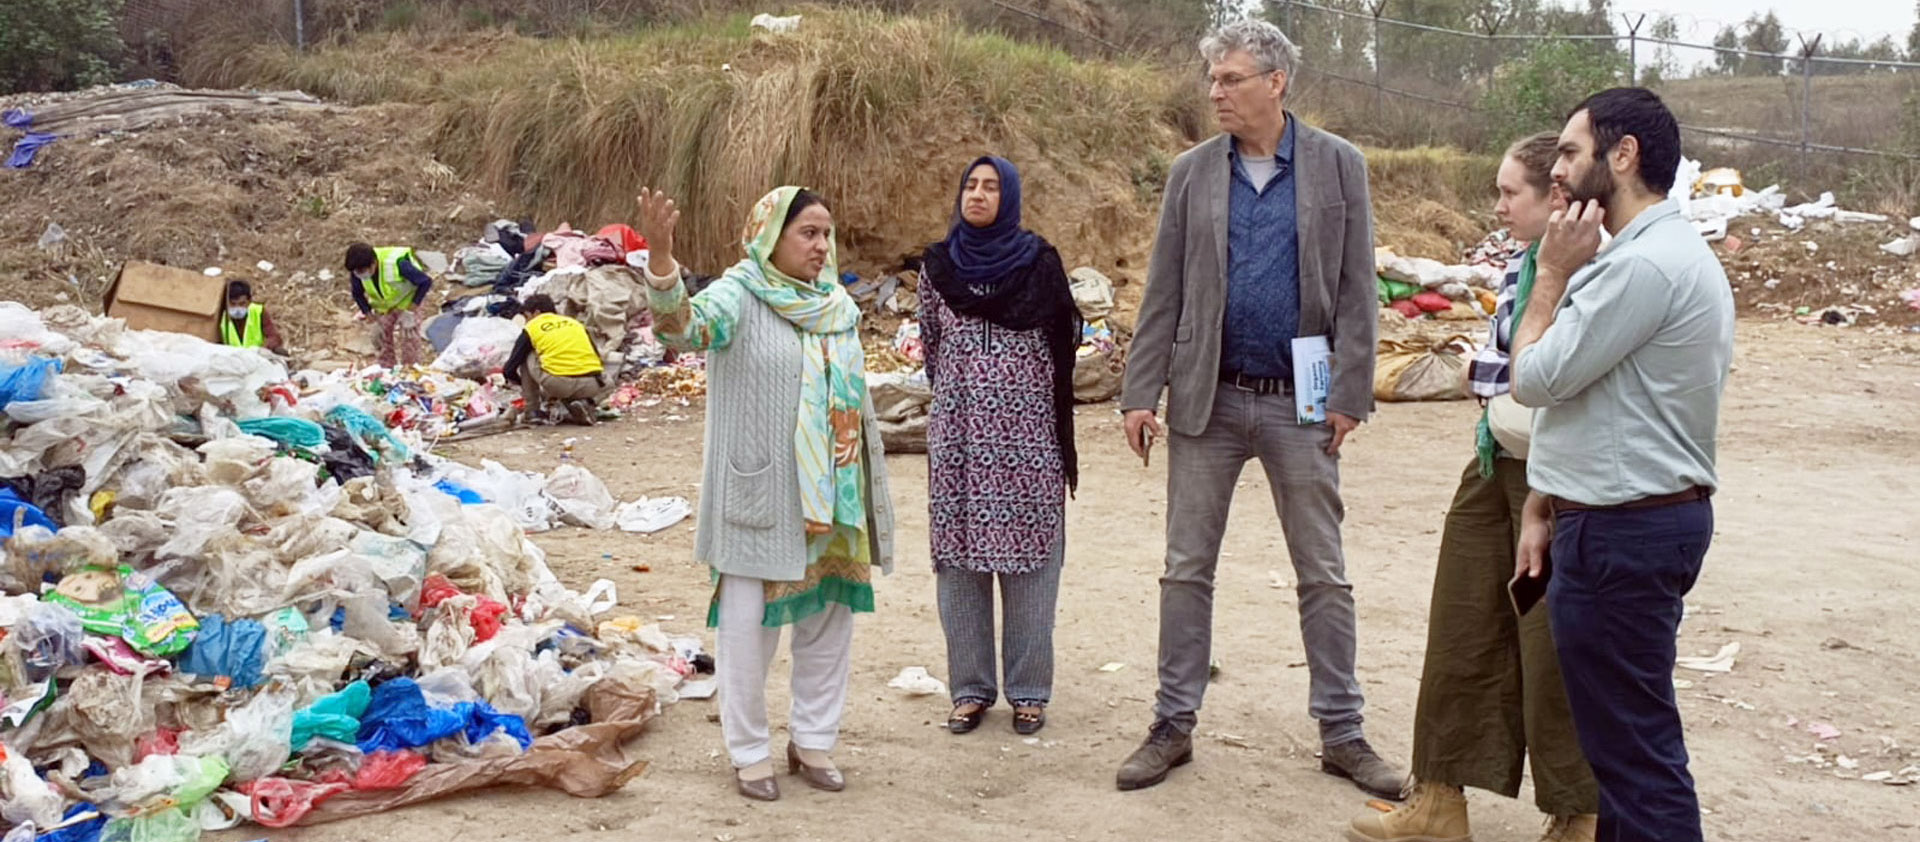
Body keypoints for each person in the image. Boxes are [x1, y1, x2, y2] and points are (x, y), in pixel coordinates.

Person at [1115, 18, 1399, 798]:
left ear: (1276, 83)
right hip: (1208, 399)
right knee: (1185, 570)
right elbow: (1163, 289)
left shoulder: (1339, 167)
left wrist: (1351, 393)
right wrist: (1141, 391)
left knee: (1323, 574)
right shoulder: (1192, 173)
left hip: (1300, 408)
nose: (1216, 92)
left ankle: (1342, 732)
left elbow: (1355, 290)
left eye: (1231, 79)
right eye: (1213, 79)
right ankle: (1172, 724)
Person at [1347, 133, 1599, 842]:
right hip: (1496, 456)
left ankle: (1578, 811)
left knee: (1549, 642)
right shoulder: (1526, 264)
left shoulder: (1588, 269)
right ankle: (1439, 799)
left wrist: (1482, 371)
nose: (1498, 205)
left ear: (1555, 195)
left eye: (1509, 191)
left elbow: (1518, 372)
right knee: (1460, 624)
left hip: (1551, 471)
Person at [1508, 88, 1734, 842]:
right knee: (1623, 754)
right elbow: (1606, 403)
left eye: (1571, 153)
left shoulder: (1638, 269)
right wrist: (1545, 502)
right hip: (1626, 522)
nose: (1560, 172)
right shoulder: (1662, 254)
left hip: (1621, 536)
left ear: (1624, 155)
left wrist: (1550, 276)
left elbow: (1536, 379)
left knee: (1637, 763)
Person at [634, 185, 895, 803]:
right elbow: (680, 329)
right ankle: (748, 752)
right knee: (748, 632)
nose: (821, 244)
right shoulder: (739, 296)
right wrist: (662, 259)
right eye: (807, 232)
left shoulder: (836, 306)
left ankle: (813, 740)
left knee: (830, 622)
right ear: (769, 236)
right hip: (761, 495)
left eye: (826, 233)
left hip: (833, 492)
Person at [919, 156, 1081, 737]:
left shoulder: (1040, 265)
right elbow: (933, 349)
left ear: (1009, 197)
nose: (978, 195)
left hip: (1029, 443)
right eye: (970, 184)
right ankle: (970, 690)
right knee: (959, 566)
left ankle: (1030, 692)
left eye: (991, 187)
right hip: (959, 442)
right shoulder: (937, 269)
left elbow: (1065, 349)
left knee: (1033, 565)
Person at [502, 294, 610, 426]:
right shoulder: (574, 323)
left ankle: (532, 411)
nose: (526, 321)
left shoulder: (532, 327)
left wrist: (520, 384)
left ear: (536, 312)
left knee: (528, 353)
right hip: (593, 385)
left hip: (559, 384)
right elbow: (596, 356)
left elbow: (509, 369)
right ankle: (584, 403)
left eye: (527, 316)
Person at [344, 241, 432, 369]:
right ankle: (387, 371)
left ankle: (411, 371)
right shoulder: (358, 271)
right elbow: (358, 294)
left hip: (408, 301)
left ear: (374, 263)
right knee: (382, 339)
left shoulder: (398, 264)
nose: (359, 274)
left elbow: (425, 282)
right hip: (385, 306)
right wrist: (371, 319)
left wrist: (411, 311)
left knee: (409, 339)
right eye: (356, 272)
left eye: (362, 271)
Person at [218, 280, 286, 355]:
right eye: (233, 304)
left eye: (242, 304)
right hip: (233, 358)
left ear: (249, 301)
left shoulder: (258, 312)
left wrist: (262, 349)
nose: (237, 309)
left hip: (257, 356)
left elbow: (273, 336)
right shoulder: (221, 316)